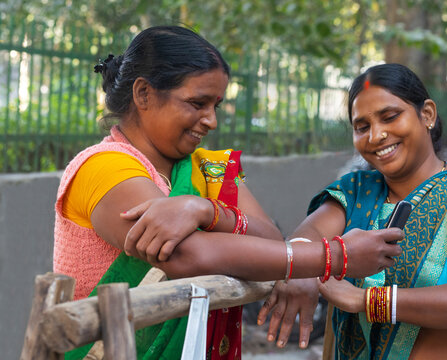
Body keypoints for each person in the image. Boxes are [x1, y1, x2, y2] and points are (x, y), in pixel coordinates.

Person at [53, 26, 403, 359]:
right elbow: (185, 255)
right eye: (197, 103)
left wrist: (206, 210)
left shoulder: (210, 166)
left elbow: (270, 237)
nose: (211, 120)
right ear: (143, 94)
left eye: (215, 106)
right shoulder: (102, 167)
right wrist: (334, 257)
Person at [258, 63, 447, 359]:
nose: (376, 136)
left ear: (426, 114)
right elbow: (305, 239)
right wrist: (301, 271)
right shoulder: (357, 192)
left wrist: (367, 301)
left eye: (390, 117)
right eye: (362, 127)